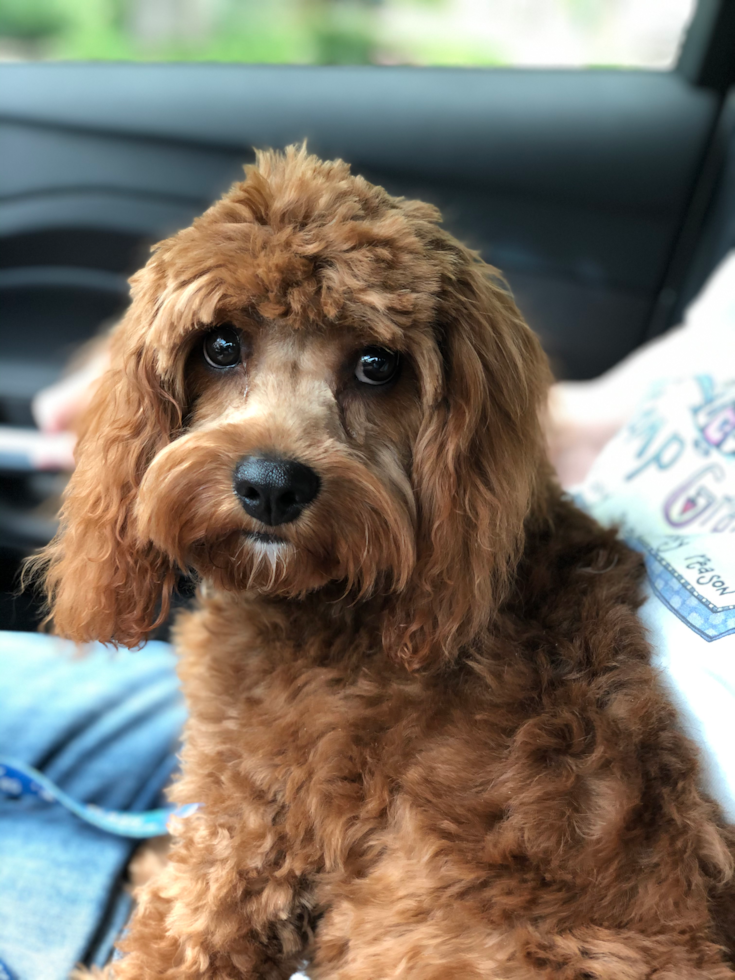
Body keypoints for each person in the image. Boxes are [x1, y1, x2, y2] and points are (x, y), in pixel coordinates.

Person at [1, 253, 734, 979]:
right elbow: (612, 402)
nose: (273, 462)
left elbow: (228, 925)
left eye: (373, 368)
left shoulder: (352, 663)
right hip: (314, 834)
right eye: (225, 350)